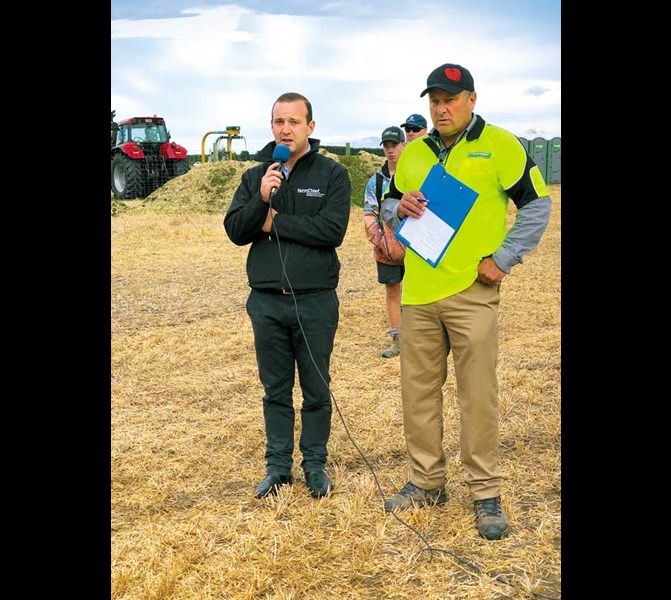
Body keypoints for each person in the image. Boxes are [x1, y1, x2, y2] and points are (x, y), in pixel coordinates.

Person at [380, 63, 552, 540]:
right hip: (417, 293)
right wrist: (400, 208)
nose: (441, 108)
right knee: (417, 393)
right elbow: (390, 206)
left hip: (472, 293)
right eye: (434, 100)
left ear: (472, 100)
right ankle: (426, 480)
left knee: (477, 395)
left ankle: (485, 492)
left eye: (450, 99)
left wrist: (505, 257)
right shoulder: (414, 154)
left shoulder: (501, 144)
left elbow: (538, 204)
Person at [223, 92, 351, 501]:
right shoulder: (256, 177)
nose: (286, 129)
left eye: (294, 122)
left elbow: (331, 232)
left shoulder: (332, 174)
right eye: (279, 121)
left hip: (315, 301)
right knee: (274, 388)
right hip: (266, 303)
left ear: (310, 128)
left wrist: (273, 221)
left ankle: (314, 464)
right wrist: (261, 200)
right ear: (272, 126)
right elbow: (236, 231)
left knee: (316, 387)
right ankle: (277, 467)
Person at [363, 125, 406, 359]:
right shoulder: (375, 182)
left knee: (415, 292)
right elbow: (369, 211)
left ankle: (420, 337)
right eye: (386, 146)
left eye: (394, 145)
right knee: (392, 289)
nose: (390, 151)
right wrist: (378, 239)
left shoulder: (414, 175)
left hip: (416, 244)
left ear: (403, 145)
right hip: (387, 247)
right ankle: (398, 339)